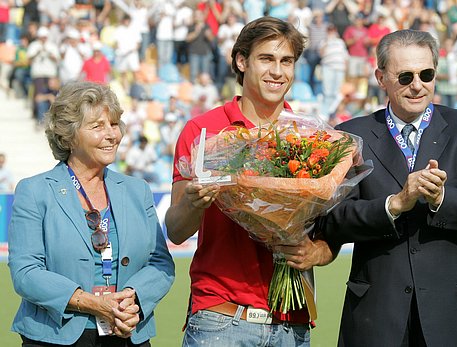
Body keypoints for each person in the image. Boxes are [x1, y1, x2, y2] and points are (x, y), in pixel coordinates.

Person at [280, 29, 457, 346]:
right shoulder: (350, 136)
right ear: (381, 77)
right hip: (376, 319)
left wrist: (441, 198)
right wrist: (393, 204)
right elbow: (330, 221)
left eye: (426, 74)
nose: (417, 85)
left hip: (454, 318)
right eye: (405, 76)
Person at [165, 16, 311, 346]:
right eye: (267, 59)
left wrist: (316, 249)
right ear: (242, 61)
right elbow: (175, 230)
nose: (278, 72)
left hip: (292, 322)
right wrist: (194, 200)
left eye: (286, 61)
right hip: (220, 318)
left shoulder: (308, 136)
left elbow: (326, 227)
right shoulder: (203, 132)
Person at [8, 81, 175, 346]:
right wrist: (93, 303)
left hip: (127, 331)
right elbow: (26, 272)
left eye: (114, 124)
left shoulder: (137, 190)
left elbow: (160, 263)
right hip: (55, 337)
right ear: (69, 136)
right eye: (98, 126)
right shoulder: (35, 191)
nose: (112, 134)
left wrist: (133, 298)